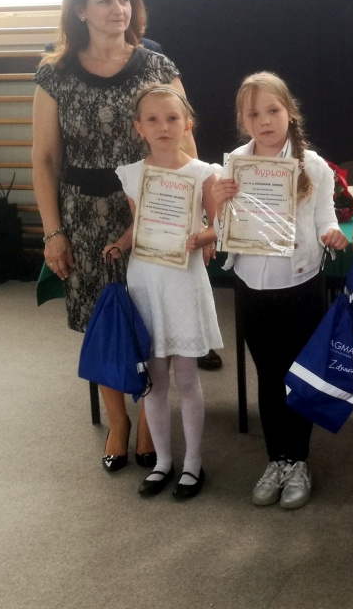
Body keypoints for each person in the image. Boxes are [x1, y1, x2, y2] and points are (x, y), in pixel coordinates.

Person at [32, 0, 196, 473]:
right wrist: (53, 232)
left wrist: (192, 214)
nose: (117, 9)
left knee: (151, 316)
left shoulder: (156, 67)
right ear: (80, 9)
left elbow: (185, 143)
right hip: (83, 216)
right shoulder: (54, 72)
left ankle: (149, 421)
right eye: (104, 0)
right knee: (101, 321)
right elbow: (44, 159)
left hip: (150, 211)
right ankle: (118, 422)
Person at [210, 72, 347, 509]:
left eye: (273, 110)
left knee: (298, 375)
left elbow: (325, 217)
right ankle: (277, 459)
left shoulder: (315, 165)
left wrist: (330, 235)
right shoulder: (234, 163)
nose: (265, 121)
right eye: (254, 114)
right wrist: (219, 203)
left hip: (301, 283)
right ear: (242, 120)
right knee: (268, 375)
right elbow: (222, 229)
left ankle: (299, 460)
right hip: (252, 285)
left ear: (290, 113)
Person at [106, 84, 223, 499]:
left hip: (183, 280)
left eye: (173, 118)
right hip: (146, 280)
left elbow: (219, 226)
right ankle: (162, 462)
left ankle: (192, 464)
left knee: (187, 377)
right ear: (139, 127)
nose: (163, 126)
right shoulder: (133, 174)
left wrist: (202, 237)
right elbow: (141, 223)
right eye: (153, 119)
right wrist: (120, 244)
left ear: (187, 124)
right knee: (154, 380)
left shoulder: (203, 172)